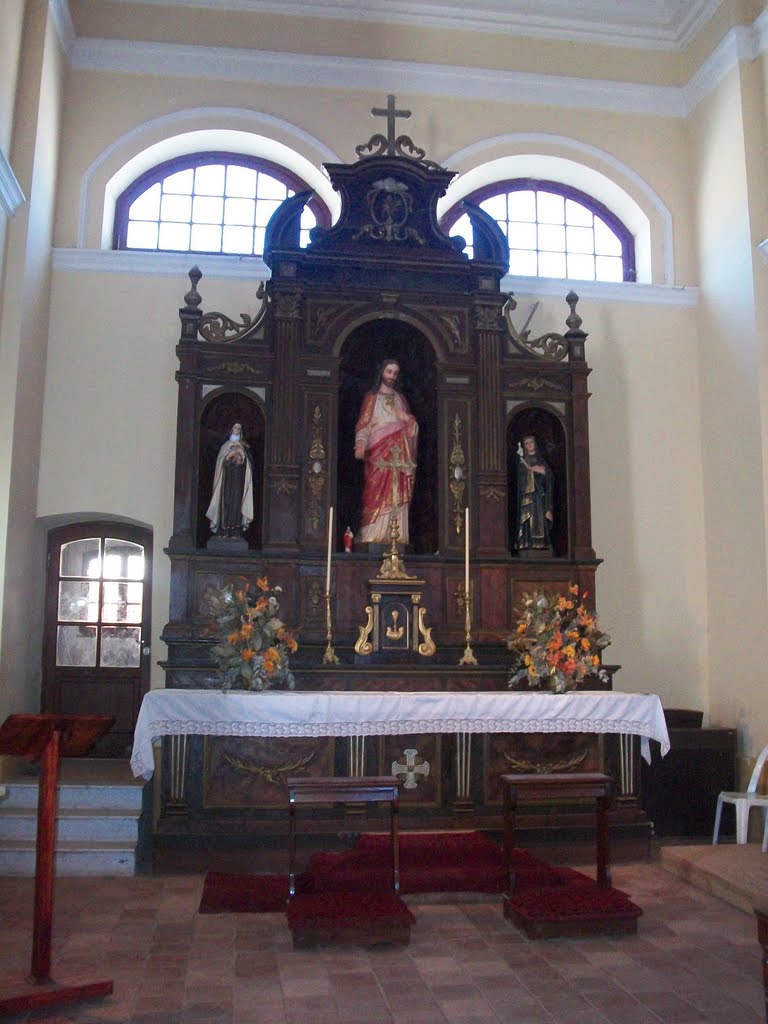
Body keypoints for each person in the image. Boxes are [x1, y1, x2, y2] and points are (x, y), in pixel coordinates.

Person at [354, 359, 418, 544]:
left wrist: (406, 418)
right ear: (382, 372)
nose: (392, 376)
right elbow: (364, 425)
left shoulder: (400, 399)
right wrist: (360, 443)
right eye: (389, 371)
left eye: (395, 373)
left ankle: (397, 534)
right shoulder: (372, 398)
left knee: (398, 488)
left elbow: (412, 427)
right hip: (378, 451)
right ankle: (374, 532)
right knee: (375, 488)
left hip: (399, 450)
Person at [206, 422, 254, 537]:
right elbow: (220, 463)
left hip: (238, 482)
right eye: (235, 427)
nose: (237, 429)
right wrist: (229, 456)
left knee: (237, 504)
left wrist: (242, 456)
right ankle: (223, 531)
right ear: (231, 429)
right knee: (226, 502)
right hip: (226, 482)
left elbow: (249, 466)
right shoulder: (225, 446)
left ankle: (236, 531)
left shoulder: (244, 446)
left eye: (239, 428)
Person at [515, 434, 554, 555]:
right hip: (527, 497)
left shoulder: (541, 460)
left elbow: (550, 477)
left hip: (539, 496)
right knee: (528, 517)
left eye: (531, 442)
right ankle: (527, 542)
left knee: (540, 518)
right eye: (526, 443)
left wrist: (542, 472)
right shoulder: (523, 462)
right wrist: (529, 474)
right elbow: (520, 481)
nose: (529, 445)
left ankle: (541, 543)